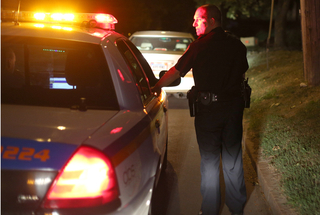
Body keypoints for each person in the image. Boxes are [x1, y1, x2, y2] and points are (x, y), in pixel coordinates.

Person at [153, 4, 248, 215]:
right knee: (233, 157)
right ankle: (236, 207)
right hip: (233, 109)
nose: (194, 23)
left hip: (208, 111)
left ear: (211, 20)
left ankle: (210, 210)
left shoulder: (199, 46)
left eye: (198, 19)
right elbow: (242, 72)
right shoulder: (237, 45)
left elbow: (176, 73)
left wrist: (154, 86)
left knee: (210, 161)